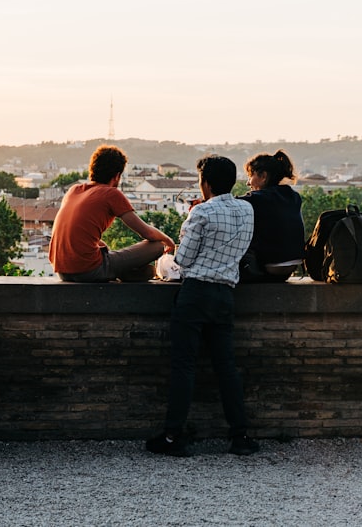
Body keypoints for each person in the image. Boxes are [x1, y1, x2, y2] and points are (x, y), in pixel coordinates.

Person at [146, 155, 258, 457]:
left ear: (205, 183)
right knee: (226, 368)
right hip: (225, 294)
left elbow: (184, 259)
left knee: (184, 366)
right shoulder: (247, 210)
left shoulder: (201, 213)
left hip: (195, 293)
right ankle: (240, 435)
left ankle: (173, 435)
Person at [49, 145, 175, 282]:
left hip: (62, 271)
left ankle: (122, 271)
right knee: (157, 246)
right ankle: (122, 271)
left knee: (104, 248)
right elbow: (147, 233)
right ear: (117, 176)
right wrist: (168, 241)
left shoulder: (74, 190)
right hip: (88, 270)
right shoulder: (111, 194)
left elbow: (79, 234)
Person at [237, 150, 305, 282]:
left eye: (250, 176)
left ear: (263, 176)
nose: (248, 183)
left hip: (267, 269)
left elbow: (226, 206)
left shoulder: (256, 199)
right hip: (290, 269)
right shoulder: (293, 196)